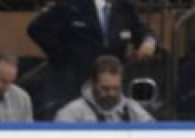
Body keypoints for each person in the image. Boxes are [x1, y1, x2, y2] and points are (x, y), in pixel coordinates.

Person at [28, 0, 156, 117]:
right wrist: (63, 56)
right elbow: (37, 29)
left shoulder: (125, 7)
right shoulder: (71, 5)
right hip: (73, 82)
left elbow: (141, 30)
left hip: (109, 86)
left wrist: (148, 41)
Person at [55, 54, 153, 122]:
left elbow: (155, 135)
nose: (111, 93)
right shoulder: (71, 113)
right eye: (105, 89)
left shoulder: (132, 108)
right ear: (92, 83)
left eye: (116, 88)